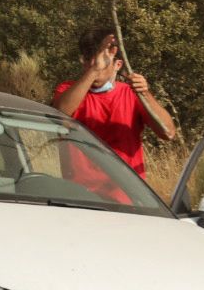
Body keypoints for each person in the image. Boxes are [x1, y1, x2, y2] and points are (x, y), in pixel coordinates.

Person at [53, 25, 176, 179]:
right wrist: (96, 69)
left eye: (101, 60)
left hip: (127, 197)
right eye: (88, 59)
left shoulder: (131, 94)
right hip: (80, 196)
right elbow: (60, 113)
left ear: (118, 65)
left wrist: (145, 93)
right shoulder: (67, 89)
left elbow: (168, 133)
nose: (93, 64)